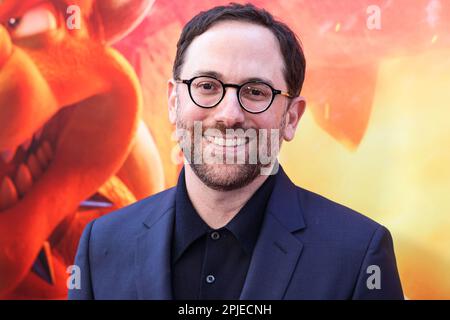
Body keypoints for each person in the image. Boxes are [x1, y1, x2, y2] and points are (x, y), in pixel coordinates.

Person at [68, 3, 403, 300]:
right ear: (173, 102)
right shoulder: (102, 245)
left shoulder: (358, 254)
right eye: (207, 87)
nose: (229, 115)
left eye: (256, 91)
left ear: (291, 117)